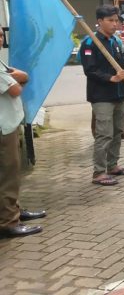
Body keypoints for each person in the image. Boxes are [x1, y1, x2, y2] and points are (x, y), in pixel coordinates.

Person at [80, 5, 124, 186]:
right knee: (104, 134)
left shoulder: (116, 42)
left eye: (116, 20)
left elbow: (123, 69)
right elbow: (90, 70)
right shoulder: (90, 42)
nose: (114, 24)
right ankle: (98, 172)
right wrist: (111, 78)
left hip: (119, 94)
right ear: (100, 21)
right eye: (110, 20)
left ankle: (113, 165)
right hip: (101, 96)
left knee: (118, 132)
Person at [0, 29, 44, 238]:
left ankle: (14, 210)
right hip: (3, 129)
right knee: (7, 176)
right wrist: (20, 77)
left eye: (0, 35)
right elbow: (16, 89)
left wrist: (19, 77)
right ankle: (8, 221)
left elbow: (21, 79)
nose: (0, 39)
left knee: (13, 174)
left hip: (9, 125)